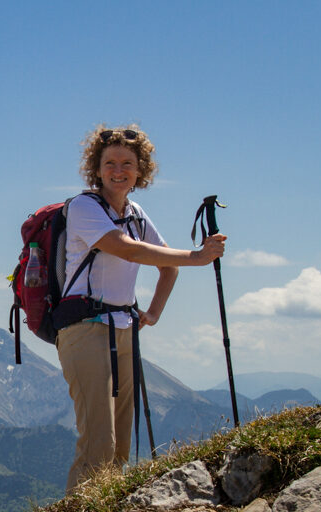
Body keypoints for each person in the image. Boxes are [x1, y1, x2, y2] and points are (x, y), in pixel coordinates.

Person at [58, 124, 227, 492]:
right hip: (83, 328)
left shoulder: (135, 212)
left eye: (127, 164)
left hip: (122, 327)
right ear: (97, 169)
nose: (119, 171)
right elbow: (128, 249)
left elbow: (166, 266)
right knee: (98, 439)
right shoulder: (84, 207)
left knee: (120, 437)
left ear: (140, 170)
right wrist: (197, 257)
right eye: (110, 163)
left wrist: (153, 313)